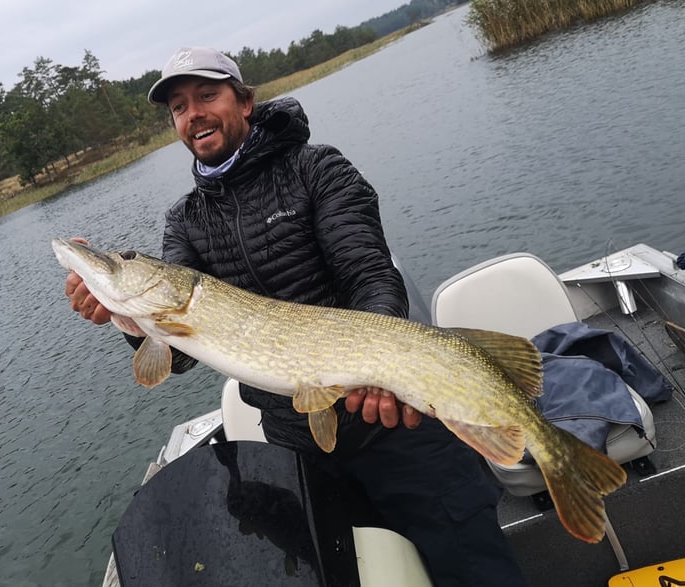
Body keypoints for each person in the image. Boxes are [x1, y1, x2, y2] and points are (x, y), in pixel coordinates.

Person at [65, 46, 526, 586]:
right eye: (179, 107)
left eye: (207, 96)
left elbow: (372, 278)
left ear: (246, 102)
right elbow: (182, 357)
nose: (193, 115)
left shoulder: (317, 170)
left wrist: (374, 369)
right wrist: (126, 319)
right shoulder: (184, 223)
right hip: (298, 450)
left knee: (476, 572)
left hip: (396, 431)